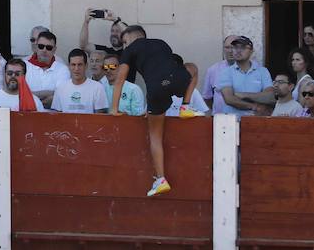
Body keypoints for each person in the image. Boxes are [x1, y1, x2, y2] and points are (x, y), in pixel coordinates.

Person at [110, 26, 200, 197]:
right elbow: (172, 67)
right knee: (193, 68)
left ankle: (160, 179)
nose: (124, 44)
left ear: (131, 37)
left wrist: (114, 108)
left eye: (124, 40)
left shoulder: (130, 49)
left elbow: (120, 79)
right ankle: (186, 106)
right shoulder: (161, 43)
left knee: (155, 137)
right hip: (176, 79)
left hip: (155, 91)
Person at [217, 35, 273, 117]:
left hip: (256, 121)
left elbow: (269, 96)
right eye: (235, 47)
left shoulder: (262, 71)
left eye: (243, 47)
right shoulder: (226, 72)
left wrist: (243, 95)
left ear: (251, 51)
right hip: (232, 121)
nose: (238, 51)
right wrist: (255, 106)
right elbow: (229, 99)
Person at [51, 49, 108, 113]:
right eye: (73, 64)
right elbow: (57, 116)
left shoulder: (98, 88)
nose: (76, 69)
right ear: (69, 66)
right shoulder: (60, 88)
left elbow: (100, 117)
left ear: (86, 66)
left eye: (80, 64)